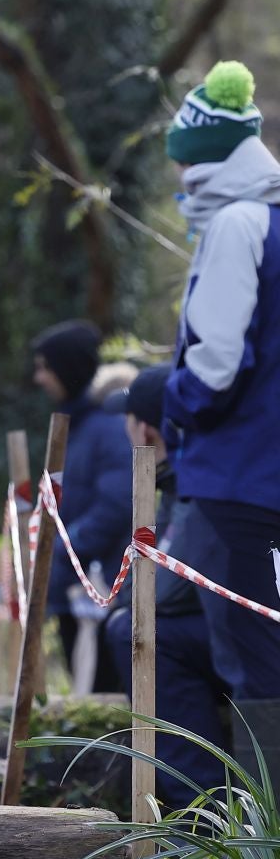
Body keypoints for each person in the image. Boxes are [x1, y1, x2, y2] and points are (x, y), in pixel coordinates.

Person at [163, 60, 280, 689]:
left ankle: (265, 791)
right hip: (269, 475)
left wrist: (169, 406)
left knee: (252, 660)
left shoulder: (237, 224)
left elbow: (215, 367)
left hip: (236, 483)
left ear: (202, 161)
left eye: (181, 163)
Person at [98, 365, 227, 803]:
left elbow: (169, 589)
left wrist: (123, 600)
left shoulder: (193, 485)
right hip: (236, 635)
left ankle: (204, 809)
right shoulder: (187, 477)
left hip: (247, 641)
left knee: (134, 630)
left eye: (128, 426)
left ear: (147, 430)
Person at [29, 318, 132, 692]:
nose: (39, 378)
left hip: (100, 590)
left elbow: (118, 504)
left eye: (45, 367)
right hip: (76, 588)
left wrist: (61, 549)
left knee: (103, 696)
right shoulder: (79, 428)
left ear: (66, 369)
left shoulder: (107, 429)